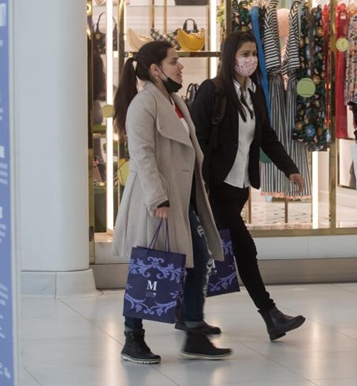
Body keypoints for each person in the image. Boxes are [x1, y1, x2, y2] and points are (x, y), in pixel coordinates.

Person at [110, 41, 232, 363]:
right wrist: (158, 197)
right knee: (148, 267)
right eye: (174, 61)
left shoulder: (175, 100)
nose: (181, 67)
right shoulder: (144, 103)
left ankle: (193, 331)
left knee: (197, 259)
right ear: (155, 69)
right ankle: (132, 338)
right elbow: (143, 155)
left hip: (182, 198)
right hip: (157, 200)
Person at [190, 31, 307, 341]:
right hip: (215, 187)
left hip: (240, 184)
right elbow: (196, 140)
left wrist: (290, 169)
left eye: (254, 53)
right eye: (244, 53)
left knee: (204, 252)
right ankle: (271, 315)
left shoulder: (254, 93)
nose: (251, 59)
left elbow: (265, 135)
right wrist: (198, 184)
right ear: (231, 57)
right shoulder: (212, 91)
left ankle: (186, 315)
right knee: (244, 248)